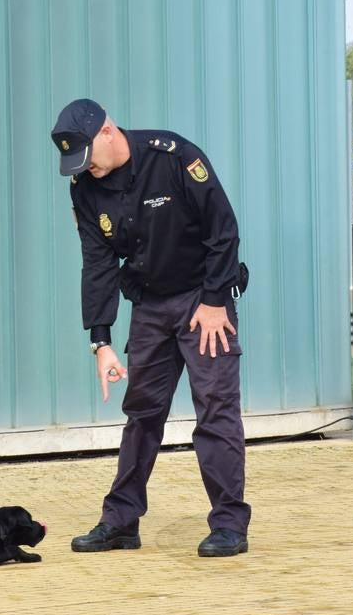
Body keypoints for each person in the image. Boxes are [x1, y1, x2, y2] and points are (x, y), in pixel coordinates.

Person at [50, 98, 251, 558]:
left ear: (106, 131)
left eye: (87, 158)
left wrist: (216, 301)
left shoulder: (174, 156)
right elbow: (97, 262)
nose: (85, 170)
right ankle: (120, 522)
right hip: (150, 306)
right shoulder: (85, 189)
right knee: (141, 414)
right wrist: (100, 340)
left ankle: (229, 525)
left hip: (203, 303)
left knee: (215, 410)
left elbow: (223, 229)